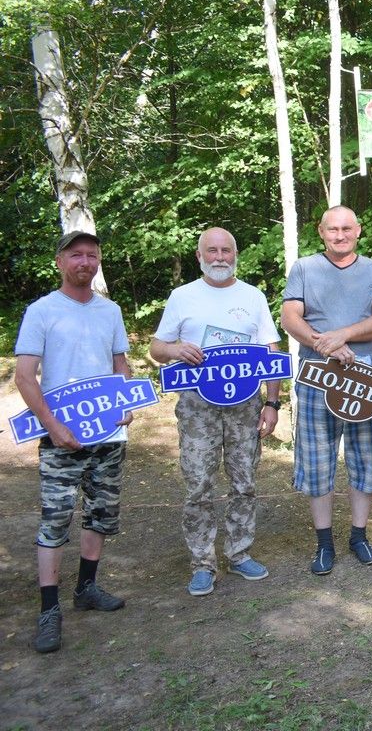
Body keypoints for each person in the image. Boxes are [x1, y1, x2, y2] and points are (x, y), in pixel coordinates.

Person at [15, 231, 132, 653]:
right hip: (60, 437)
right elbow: (25, 377)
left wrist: (125, 399)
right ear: (60, 262)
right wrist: (52, 426)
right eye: (76, 255)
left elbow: (120, 362)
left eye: (92, 255)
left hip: (108, 436)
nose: (85, 262)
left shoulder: (111, 310)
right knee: (55, 521)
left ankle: (87, 588)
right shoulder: (42, 311)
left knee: (100, 515)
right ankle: (49, 609)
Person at [149, 228, 282, 597]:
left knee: (244, 483)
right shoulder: (182, 296)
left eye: (226, 250)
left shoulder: (252, 296)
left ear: (235, 254)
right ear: (200, 256)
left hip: (245, 406)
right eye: (213, 251)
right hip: (197, 408)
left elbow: (270, 351)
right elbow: (157, 348)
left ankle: (239, 554)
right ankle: (202, 563)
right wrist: (176, 351)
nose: (220, 257)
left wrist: (272, 403)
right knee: (198, 485)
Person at [281, 206, 372, 575]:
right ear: (321, 231)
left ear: (358, 230)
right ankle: (324, 542)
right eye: (333, 229)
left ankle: (359, 536)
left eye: (347, 228)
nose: (340, 235)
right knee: (317, 460)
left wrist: (342, 335)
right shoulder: (304, 268)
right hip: (316, 374)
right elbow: (290, 318)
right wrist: (325, 345)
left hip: (365, 376)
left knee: (365, 457)